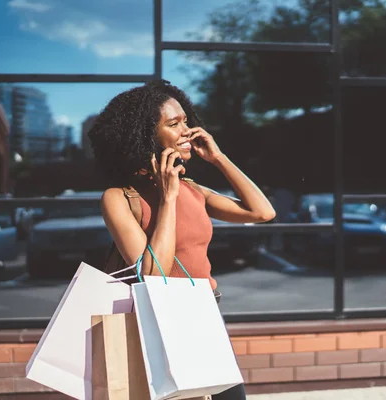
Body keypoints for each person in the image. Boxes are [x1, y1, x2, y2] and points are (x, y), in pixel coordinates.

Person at [87, 80, 276, 400]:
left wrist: (218, 158)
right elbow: (152, 274)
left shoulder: (193, 189)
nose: (187, 129)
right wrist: (168, 198)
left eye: (186, 120)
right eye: (174, 124)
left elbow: (262, 212)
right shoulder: (119, 198)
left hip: (206, 313)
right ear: (145, 136)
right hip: (160, 322)